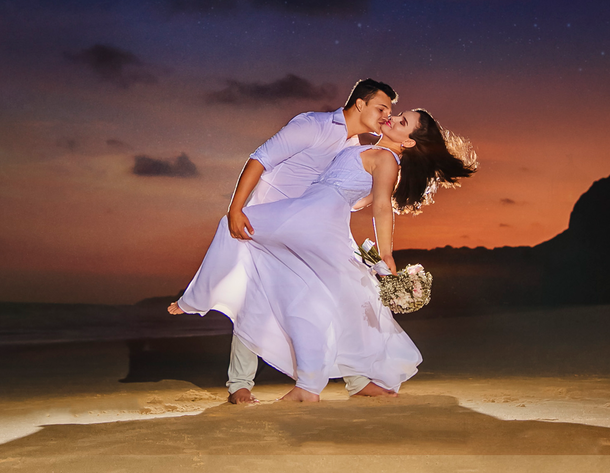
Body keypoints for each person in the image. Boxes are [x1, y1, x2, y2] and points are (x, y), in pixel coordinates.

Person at [195, 109, 476, 402]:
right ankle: (336, 382)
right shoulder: (367, 149)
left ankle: (318, 384)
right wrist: (344, 191)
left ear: (408, 142)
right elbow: (356, 200)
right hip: (315, 220)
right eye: (398, 114)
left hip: (315, 225)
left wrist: (386, 253)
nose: (392, 118)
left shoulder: (387, 160)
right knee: (319, 294)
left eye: (402, 122)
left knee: (244, 235)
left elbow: (381, 207)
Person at [170, 79, 398, 404]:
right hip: (268, 223)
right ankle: (239, 385)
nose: (387, 116)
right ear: (360, 104)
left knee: (341, 293)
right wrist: (236, 209)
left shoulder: (354, 147)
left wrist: (380, 193)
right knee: (257, 300)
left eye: (390, 111)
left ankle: (357, 380)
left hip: (308, 231)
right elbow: (260, 158)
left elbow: (340, 197)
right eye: (381, 108)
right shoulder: (313, 125)